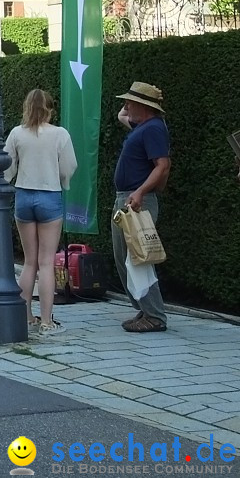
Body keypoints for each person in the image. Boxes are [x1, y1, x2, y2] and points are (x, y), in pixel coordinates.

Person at [3, 89, 77, 335]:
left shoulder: (17, 133)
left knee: (29, 263)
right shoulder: (60, 134)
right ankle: (47, 322)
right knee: (47, 263)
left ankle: (26, 318)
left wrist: (9, 178)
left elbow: (7, 167)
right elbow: (69, 167)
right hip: (49, 195)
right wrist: (62, 181)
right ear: (49, 108)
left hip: (24, 195)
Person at [112, 82, 171, 333]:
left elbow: (162, 165)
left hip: (137, 201)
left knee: (138, 259)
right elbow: (122, 115)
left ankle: (155, 316)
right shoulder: (144, 126)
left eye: (130, 101)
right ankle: (145, 309)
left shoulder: (153, 129)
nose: (125, 105)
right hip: (128, 199)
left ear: (143, 106)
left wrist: (140, 191)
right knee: (125, 258)